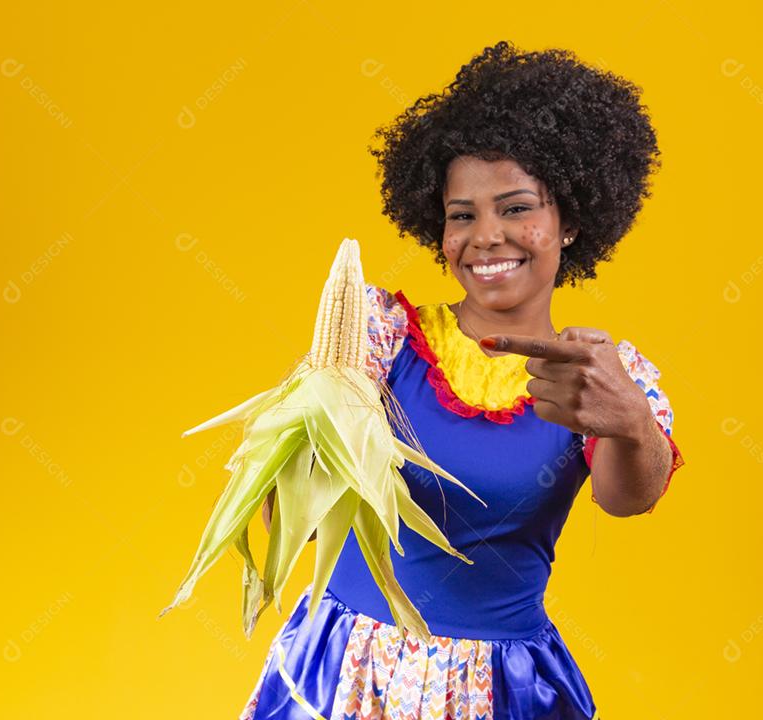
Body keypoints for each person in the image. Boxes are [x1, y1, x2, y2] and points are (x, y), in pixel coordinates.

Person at [241, 40, 685, 720]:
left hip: (503, 686)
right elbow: (290, 527)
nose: (485, 237)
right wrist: (306, 432)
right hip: (350, 670)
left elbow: (628, 498)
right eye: (462, 215)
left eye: (515, 208)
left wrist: (629, 420)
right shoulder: (382, 337)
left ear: (569, 222)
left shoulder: (594, 372)